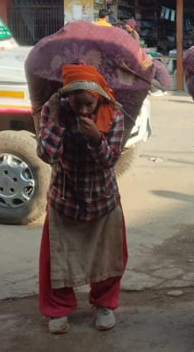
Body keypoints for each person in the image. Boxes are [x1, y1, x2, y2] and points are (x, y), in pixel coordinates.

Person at [36, 64, 127, 334]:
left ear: (98, 97)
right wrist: (55, 123)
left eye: (89, 104)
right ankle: (58, 309)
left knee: (109, 255)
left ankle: (104, 304)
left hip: (103, 197)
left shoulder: (114, 114)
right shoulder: (53, 111)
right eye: (78, 104)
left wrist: (98, 139)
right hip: (65, 197)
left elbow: (109, 160)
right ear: (68, 98)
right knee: (57, 258)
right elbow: (46, 155)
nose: (84, 111)